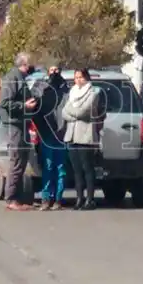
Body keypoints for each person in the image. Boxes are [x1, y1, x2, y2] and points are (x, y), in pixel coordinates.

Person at [0, 52, 38, 211]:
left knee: (22, 161)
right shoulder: (12, 77)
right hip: (14, 125)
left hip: (22, 124)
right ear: (25, 64)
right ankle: (11, 199)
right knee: (16, 161)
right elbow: (5, 102)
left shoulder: (21, 77)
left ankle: (18, 197)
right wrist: (25, 106)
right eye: (30, 63)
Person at [62, 68, 105, 210]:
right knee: (76, 170)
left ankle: (90, 199)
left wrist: (72, 114)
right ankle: (79, 198)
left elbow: (84, 111)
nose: (78, 80)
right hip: (72, 135)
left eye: (81, 77)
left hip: (86, 135)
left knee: (88, 168)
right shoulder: (72, 93)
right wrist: (72, 114)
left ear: (86, 78)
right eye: (76, 78)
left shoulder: (93, 93)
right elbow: (64, 112)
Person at [33, 66, 70, 210]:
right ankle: (46, 198)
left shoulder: (66, 89)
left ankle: (58, 199)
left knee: (61, 168)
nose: (54, 73)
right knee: (48, 167)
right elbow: (35, 104)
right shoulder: (41, 86)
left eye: (57, 70)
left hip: (61, 135)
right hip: (46, 133)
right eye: (52, 70)